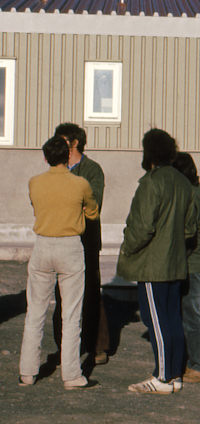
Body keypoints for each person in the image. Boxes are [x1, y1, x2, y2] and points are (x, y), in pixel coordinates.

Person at [117, 129, 196, 394]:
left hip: (153, 264)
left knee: (156, 321)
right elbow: (189, 229)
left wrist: (128, 247)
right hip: (175, 263)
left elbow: (142, 227)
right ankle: (173, 375)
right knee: (172, 318)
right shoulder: (183, 182)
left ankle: (162, 377)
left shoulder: (151, 182)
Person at [19, 135, 99, 389]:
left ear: (45, 157)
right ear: (68, 156)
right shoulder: (81, 183)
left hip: (42, 244)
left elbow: (35, 206)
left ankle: (27, 372)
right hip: (70, 246)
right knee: (71, 313)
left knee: (35, 311)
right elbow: (93, 211)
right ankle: (71, 374)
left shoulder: (35, 182)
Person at [52, 122, 110, 366]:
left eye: (62, 140)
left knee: (90, 292)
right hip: (61, 240)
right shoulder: (58, 168)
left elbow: (92, 205)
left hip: (86, 241)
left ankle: (98, 345)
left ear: (74, 143)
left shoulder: (92, 169)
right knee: (61, 293)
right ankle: (64, 346)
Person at [172, 152, 200, 383]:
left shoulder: (191, 195)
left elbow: (187, 234)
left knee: (191, 313)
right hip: (195, 260)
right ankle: (196, 362)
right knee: (190, 312)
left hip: (190, 261)